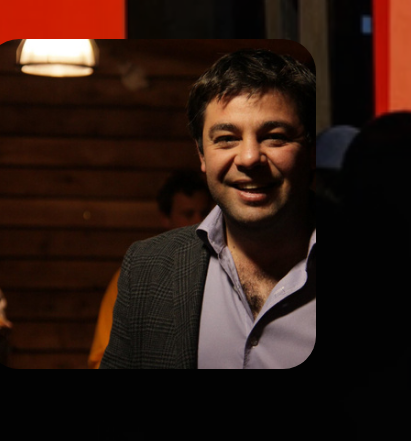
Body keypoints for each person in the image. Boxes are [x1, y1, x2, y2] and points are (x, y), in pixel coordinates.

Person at [101, 48, 316, 369]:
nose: (249, 158)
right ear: (202, 154)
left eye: (274, 137)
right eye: (227, 138)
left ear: (311, 151)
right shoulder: (147, 269)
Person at [86, 169, 213, 368]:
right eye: (188, 214)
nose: (199, 221)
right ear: (165, 218)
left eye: (204, 213)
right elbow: (105, 357)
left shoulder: (223, 269)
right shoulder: (137, 276)